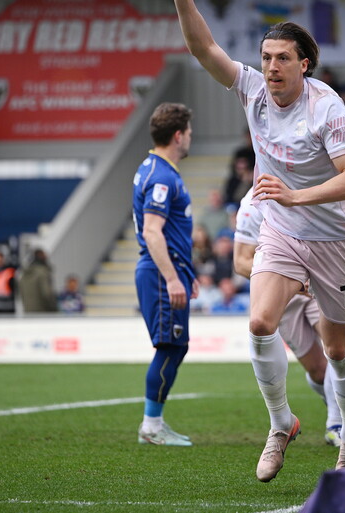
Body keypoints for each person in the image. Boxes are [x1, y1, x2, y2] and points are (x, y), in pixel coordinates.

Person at [169, 0, 345, 479]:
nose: (271, 67)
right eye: (265, 57)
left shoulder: (327, 107)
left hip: (333, 237)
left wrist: (297, 193)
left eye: (282, 58)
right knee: (259, 322)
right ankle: (281, 424)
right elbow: (204, 50)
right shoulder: (253, 91)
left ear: (304, 64)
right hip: (282, 232)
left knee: (338, 347)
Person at [233, 187, 345, 447]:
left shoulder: (310, 184)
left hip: (317, 283)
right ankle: (338, 401)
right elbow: (240, 262)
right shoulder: (252, 202)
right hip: (282, 294)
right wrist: (283, 274)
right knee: (318, 371)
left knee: (336, 349)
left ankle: (336, 424)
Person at [133, 102, 200, 447]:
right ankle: (151, 425)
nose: (191, 137)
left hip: (167, 270)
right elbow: (152, 232)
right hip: (160, 274)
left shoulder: (154, 169)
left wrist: (186, 273)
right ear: (178, 135)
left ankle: (153, 423)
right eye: (188, 132)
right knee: (170, 347)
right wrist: (173, 278)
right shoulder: (161, 176)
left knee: (175, 346)